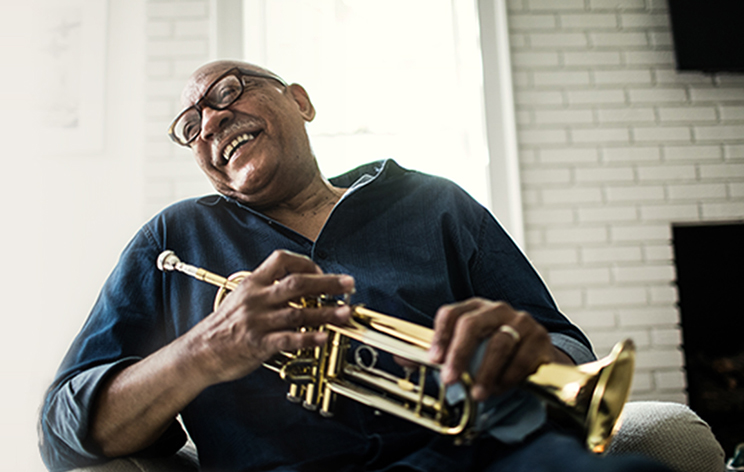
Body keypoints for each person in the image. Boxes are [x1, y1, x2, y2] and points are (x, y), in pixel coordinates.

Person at [39, 60, 672, 472]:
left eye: (227, 92)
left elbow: (560, 346)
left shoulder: (436, 203)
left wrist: (533, 354)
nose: (210, 122)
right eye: (189, 125)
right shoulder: (175, 239)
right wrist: (206, 350)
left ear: (301, 101)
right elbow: (61, 427)